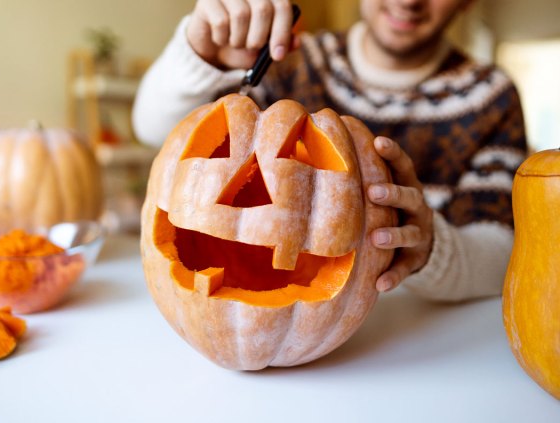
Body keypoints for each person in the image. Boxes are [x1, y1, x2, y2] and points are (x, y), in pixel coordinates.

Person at [133, 0, 528, 301]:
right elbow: (156, 133)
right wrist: (200, 55)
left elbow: (503, 252)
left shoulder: (491, 96)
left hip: (419, 340)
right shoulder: (285, 60)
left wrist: (432, 249)